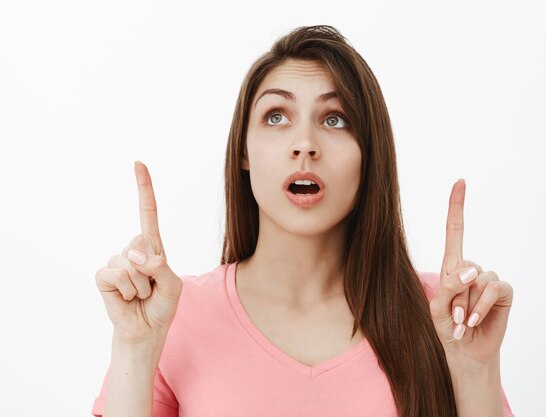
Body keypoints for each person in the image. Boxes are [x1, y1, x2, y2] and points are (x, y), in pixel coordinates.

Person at [92, 25, 515, 417]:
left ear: (369, 155)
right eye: (276, 116)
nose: (305, 145)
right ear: (243, 152)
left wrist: (475, 369)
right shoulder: (172, 316)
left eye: (335, 119)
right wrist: (135, 347)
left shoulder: (446, 317)